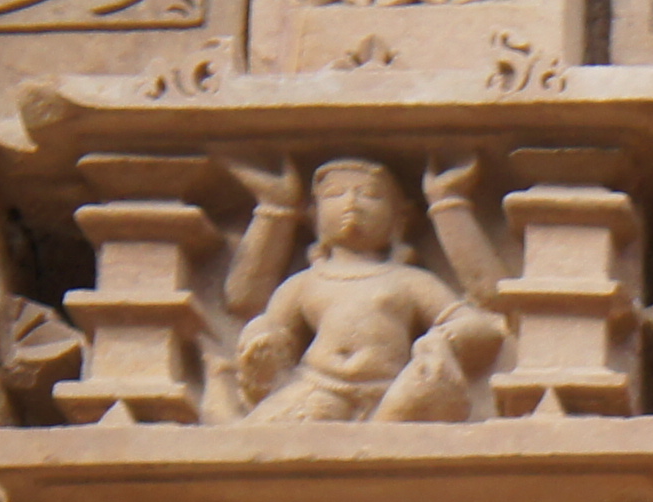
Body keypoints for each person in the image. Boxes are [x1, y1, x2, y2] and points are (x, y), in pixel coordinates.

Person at [216, 156, 510, 424]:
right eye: (335, 194)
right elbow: (252, 307)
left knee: (420, 397)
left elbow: (479, 326)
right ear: (313, 216)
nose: (352, 203)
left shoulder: (409, 280)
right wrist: (261, 341)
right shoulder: (305, 282)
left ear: (400, 218)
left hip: (389, 388)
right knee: (268, 430)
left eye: (370, 195)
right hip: (319, 385)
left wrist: (442, 341)